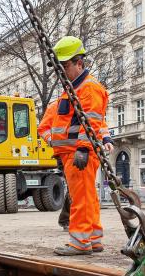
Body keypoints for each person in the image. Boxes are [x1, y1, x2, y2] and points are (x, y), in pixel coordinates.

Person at [37, 36, 112, 256]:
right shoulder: (73, 89)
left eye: (65, 66)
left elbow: (91, 121)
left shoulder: (88, 88)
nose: (61, 72)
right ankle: (93, 238)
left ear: (79, 63)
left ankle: (80, 241)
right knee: (87, 196)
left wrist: (82, 148)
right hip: (72, 152)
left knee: (80, 198)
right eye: (59, 68)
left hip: (79, 153)